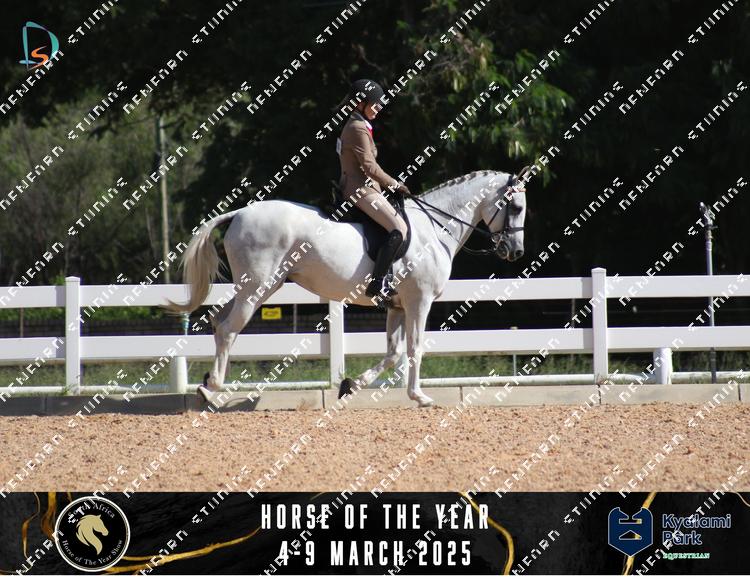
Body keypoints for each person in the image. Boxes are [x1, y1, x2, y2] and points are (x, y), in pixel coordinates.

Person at [337, 79, 410, 304]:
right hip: (360, 190)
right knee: (399, 228)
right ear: (360, 103)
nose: (378, 108)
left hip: (365, 187)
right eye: (375, 104)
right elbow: (370, 167)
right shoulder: (357, 128)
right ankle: (378, 283)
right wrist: (395, 185)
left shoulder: (360, 123)